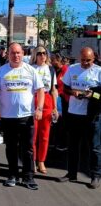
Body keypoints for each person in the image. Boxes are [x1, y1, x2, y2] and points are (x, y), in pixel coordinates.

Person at [0, 43, 44, 190]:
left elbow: (40, 90)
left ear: (23, 53)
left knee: (28, 149)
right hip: (8, 117)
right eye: (13, 53)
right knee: (11, 148)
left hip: (27, 116)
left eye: (19, 53)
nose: (16, 55)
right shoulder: (1, 71)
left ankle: (28, 177)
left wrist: (39, 108)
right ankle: (12, 175)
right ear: (8, 54)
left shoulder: (30, 70)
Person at [57, 47, 101, 189]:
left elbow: (100, 95)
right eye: (82, 60)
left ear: (93, 59)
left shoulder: (99, 72)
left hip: (92, 116)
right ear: (78, 58)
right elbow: (65, 89)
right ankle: (71, 173)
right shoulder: (73, 69)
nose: (85, 63)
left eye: (88, 60)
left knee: (94, 148)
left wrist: (91, 95)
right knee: (73, 146)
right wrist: (73, 92)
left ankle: (95, 175)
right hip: (74, 114)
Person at [29, 46, 58, 174]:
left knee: (45, 135)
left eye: (44, 53)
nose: (42, 55)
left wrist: (55, 108)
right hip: (33, 100)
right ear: (35, 55)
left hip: (47, 101)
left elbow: (53, 90)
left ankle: (41, 161)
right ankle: (33, 160)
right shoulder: (30, 69)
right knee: (33, 134)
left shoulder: (51, 70)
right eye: (39, 53)